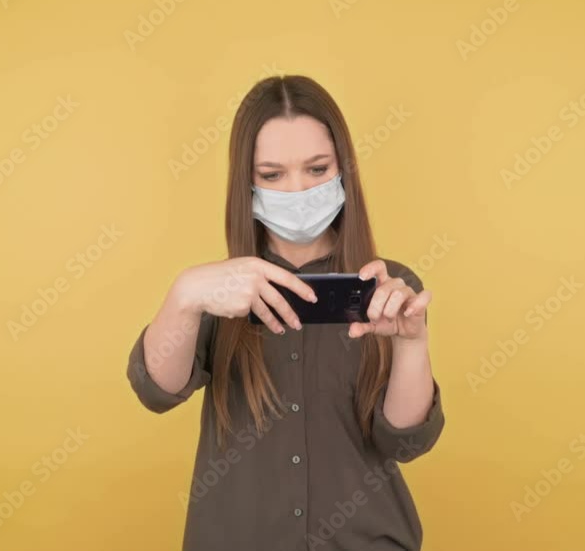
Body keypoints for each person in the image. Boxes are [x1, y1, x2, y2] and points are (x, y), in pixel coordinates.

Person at [127, 74, 445, 551]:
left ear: (343, 169)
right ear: (247, 182)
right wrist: (184, 295)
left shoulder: (387, 287)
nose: (297, 190)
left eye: (317, 169)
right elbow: (158, 391)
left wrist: (411, 342)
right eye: (273, 175)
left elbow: (404, 442)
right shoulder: (221, 292)